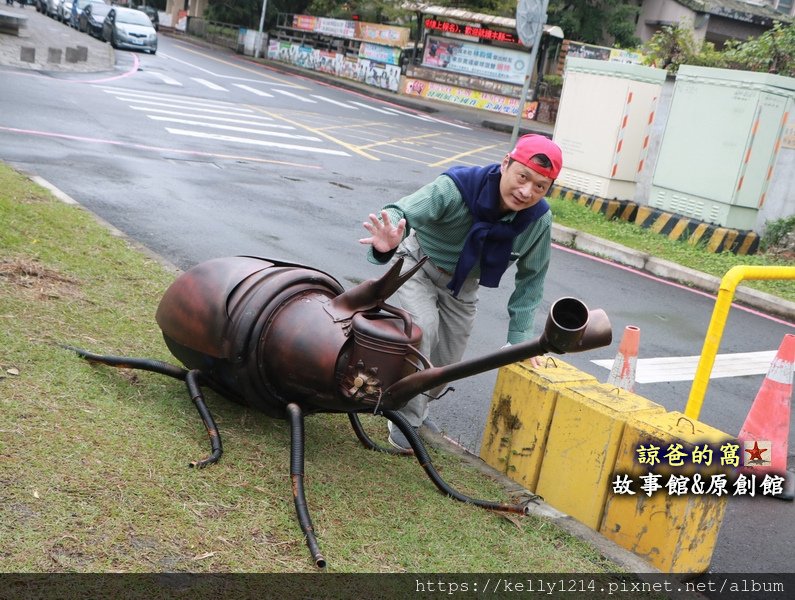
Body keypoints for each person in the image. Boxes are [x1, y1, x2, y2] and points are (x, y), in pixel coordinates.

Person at [359, 134, 563, 450]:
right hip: (419, 265)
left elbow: (532, 278)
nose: (527, 191)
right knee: (422, 330)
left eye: (540, 186)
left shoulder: (537, 220)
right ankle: (404, 423)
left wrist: (519, 338)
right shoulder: (457, 187)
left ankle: (419, 405)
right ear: (506, 163)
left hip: (463, 286)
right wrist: (389, 237)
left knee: (447, 364)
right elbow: (404, 210)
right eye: (523, 177)